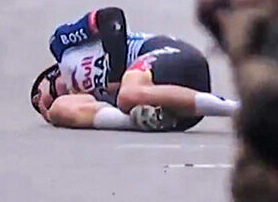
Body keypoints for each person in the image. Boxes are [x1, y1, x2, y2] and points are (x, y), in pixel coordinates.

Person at [30, 7, 239, 131]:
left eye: (54, 92)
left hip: (171, 57)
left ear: (51, 75)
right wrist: (55, 113)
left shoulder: (63, 47)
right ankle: (142, 120)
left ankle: (241, 110)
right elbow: (67, 110)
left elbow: (112, 17)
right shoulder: (93, 98)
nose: (62, 94)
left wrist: (115, 73)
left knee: (127, 94)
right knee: (63, 111)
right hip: (181, 109)